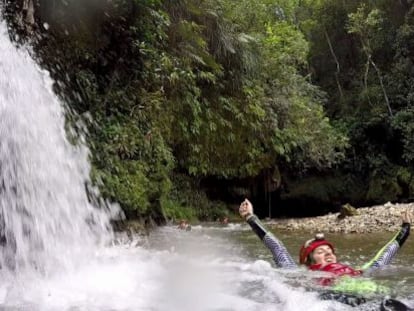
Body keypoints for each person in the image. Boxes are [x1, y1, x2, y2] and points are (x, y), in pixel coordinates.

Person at [239, 199, 412, 308]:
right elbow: (278, 249)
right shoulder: (301, 273)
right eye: (320, 252)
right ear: (308, 260)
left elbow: (383, 257)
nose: (328, 254)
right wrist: (251, 218)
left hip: (377, 296)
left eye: (330, 251)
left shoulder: (357, 270)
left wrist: (405, 229)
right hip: (336, 300)